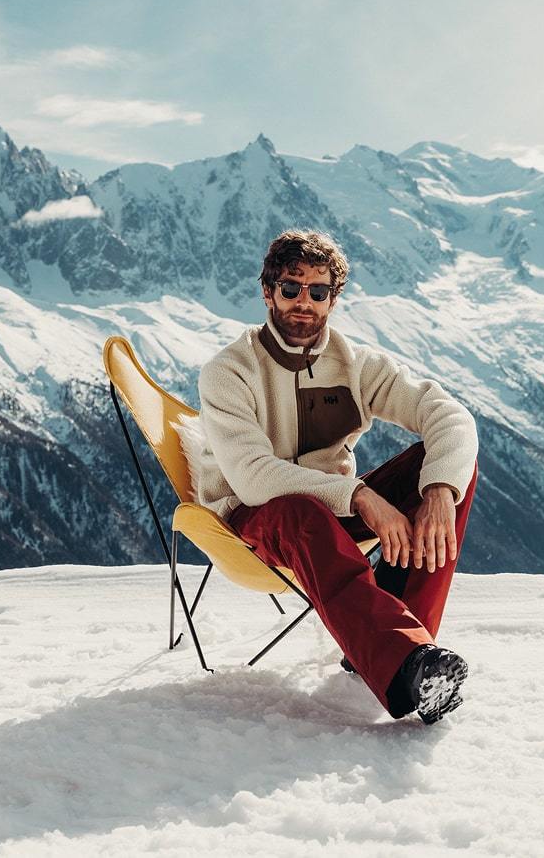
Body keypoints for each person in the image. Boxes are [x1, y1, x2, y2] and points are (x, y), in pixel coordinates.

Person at [196, 229, 478, 723]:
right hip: (256, 520)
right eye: (290, 288)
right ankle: (405, 663)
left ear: (333, 299)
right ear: (268, 292)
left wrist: (438, 492)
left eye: (318, 291)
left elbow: (448, 414)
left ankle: (408, 647)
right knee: (299, 511)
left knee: (452, 468)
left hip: (337, 510)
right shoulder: (230, 371)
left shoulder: (355, 364)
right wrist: (361, 495)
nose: (303, 302)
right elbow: (254, 478)